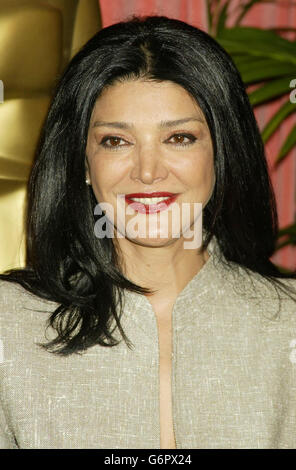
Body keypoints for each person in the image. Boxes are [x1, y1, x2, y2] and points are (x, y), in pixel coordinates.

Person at [0, 15, 296, 450]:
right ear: (83, 163)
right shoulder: (8, 324)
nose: (148, 171)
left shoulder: (287, 322)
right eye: (116, 141)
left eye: (179, 138)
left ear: (221, 151)